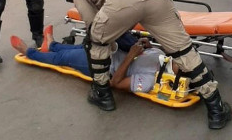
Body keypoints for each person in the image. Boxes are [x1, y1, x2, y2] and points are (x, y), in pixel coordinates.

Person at [56, 0, 232, 129]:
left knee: (95, 42)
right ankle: (216, 108)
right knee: (183, 50)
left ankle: (102, 94)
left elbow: (93, 25)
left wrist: (103, 39)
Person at [10, 27, 173, 95]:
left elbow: (115, 83)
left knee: (63, 58)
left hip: (104, 67)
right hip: (109, 52)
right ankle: (51, 44)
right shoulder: (162, 57)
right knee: (78, 50)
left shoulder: (151, 80)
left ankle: (28, 52)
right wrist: (147, 46)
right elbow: (143, 54)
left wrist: (131, 55)